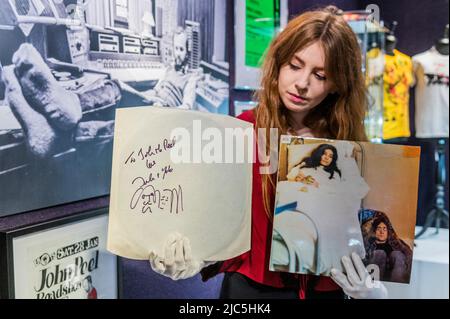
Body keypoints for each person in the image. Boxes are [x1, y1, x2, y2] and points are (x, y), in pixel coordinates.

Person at [148, 6, 388, 299]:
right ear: (278, 64)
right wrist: (190, 256)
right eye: (294, 65)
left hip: (326, 291)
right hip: (251, 293)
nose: (302, 83)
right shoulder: (241, 131)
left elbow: (369, 231)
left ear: (338, 84)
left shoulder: (349, 146)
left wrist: (374, 288)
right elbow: (217, 223)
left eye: (320, 75)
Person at [143, 27, 201, 110]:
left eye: (181, 49)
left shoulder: (190, 78)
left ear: (187, 53)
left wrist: (166, 109)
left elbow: (186, 106)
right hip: (155, 106)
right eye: (176, 48)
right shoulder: (169, 69)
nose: (177, 53)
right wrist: (142, 95)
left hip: (169, 114)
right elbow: (156, 91)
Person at [365, 215, 412, 283]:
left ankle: (397, 284)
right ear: (374, 231)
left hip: (395, 275)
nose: (382, 232)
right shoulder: (368, 243)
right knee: (379, 253)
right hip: (374, 277)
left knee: (397, 254)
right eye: (379, 229)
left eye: (384, 229)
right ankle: (373, 285)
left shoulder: (397, 242)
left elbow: (409, 255)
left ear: (388, 231)